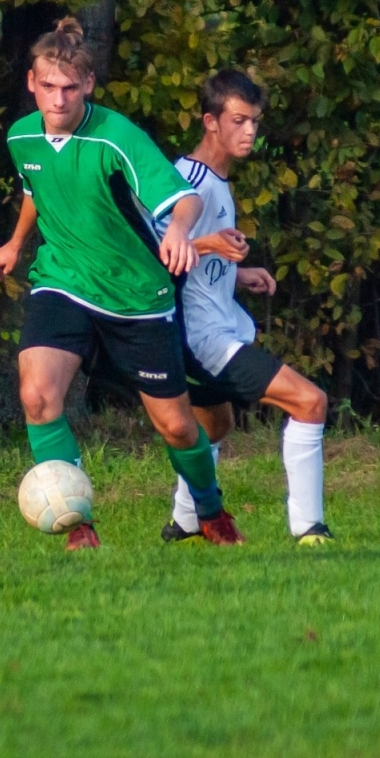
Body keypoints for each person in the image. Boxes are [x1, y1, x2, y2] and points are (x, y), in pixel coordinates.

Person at [0, 18, 243, 549]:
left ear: (87, 86)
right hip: (62, 279)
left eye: (69, 88)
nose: (57, 100)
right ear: (31, 83)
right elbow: (37, 187)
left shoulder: (117, 136)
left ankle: (212, 510)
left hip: (135, 295)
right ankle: (76, 521)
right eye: (47, 87)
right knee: (37, 396)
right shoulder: (22, 136)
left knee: (176, 427)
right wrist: (15, 243)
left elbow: (185, 197)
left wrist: (176, 228)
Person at [152, 70, 333, 546]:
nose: (249, 131)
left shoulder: (216, 180)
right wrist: (210, 244)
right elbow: (157, 255)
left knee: (216, 423)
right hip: (204, 340)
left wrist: (236, 274)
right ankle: (310, 529)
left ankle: (185, 523)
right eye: (238, 120)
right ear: (210, 121)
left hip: (212, 330)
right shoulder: (186, 179)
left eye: (254, 121)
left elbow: (195, 261)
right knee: (310, 402)